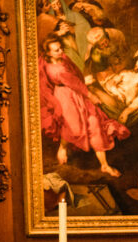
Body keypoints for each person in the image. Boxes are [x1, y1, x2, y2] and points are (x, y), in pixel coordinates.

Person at [39, 35, 129, 176]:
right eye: (56, 50)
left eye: (60, 47)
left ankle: (104, 165)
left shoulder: (61, 59)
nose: (61, 51)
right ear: (49, 53)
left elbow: (76, 79)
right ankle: (62, 149)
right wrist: (91, 96)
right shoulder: (57, 70)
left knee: (95, 124)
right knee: (72, 127)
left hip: (76, 94)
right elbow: (76, 84)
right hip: (66, 98)